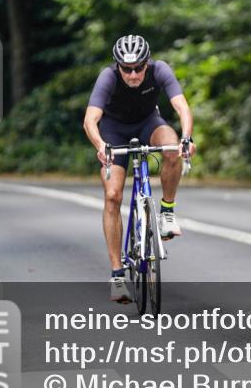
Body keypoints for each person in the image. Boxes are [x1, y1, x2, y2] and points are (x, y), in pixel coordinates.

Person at [83, 34, 196, 303]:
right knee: (112, 196)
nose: (133, 75)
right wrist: (101, 145)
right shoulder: (108, 77)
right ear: (118, 66)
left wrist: (186, 138)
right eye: (127, 69)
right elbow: (90, 119)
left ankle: (167, 212)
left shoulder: (160, 70)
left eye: (138, 68)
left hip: (148, 123)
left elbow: (182, 107)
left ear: (147, 63)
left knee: (170, 148)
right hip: (114, 130)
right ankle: (117, 275)